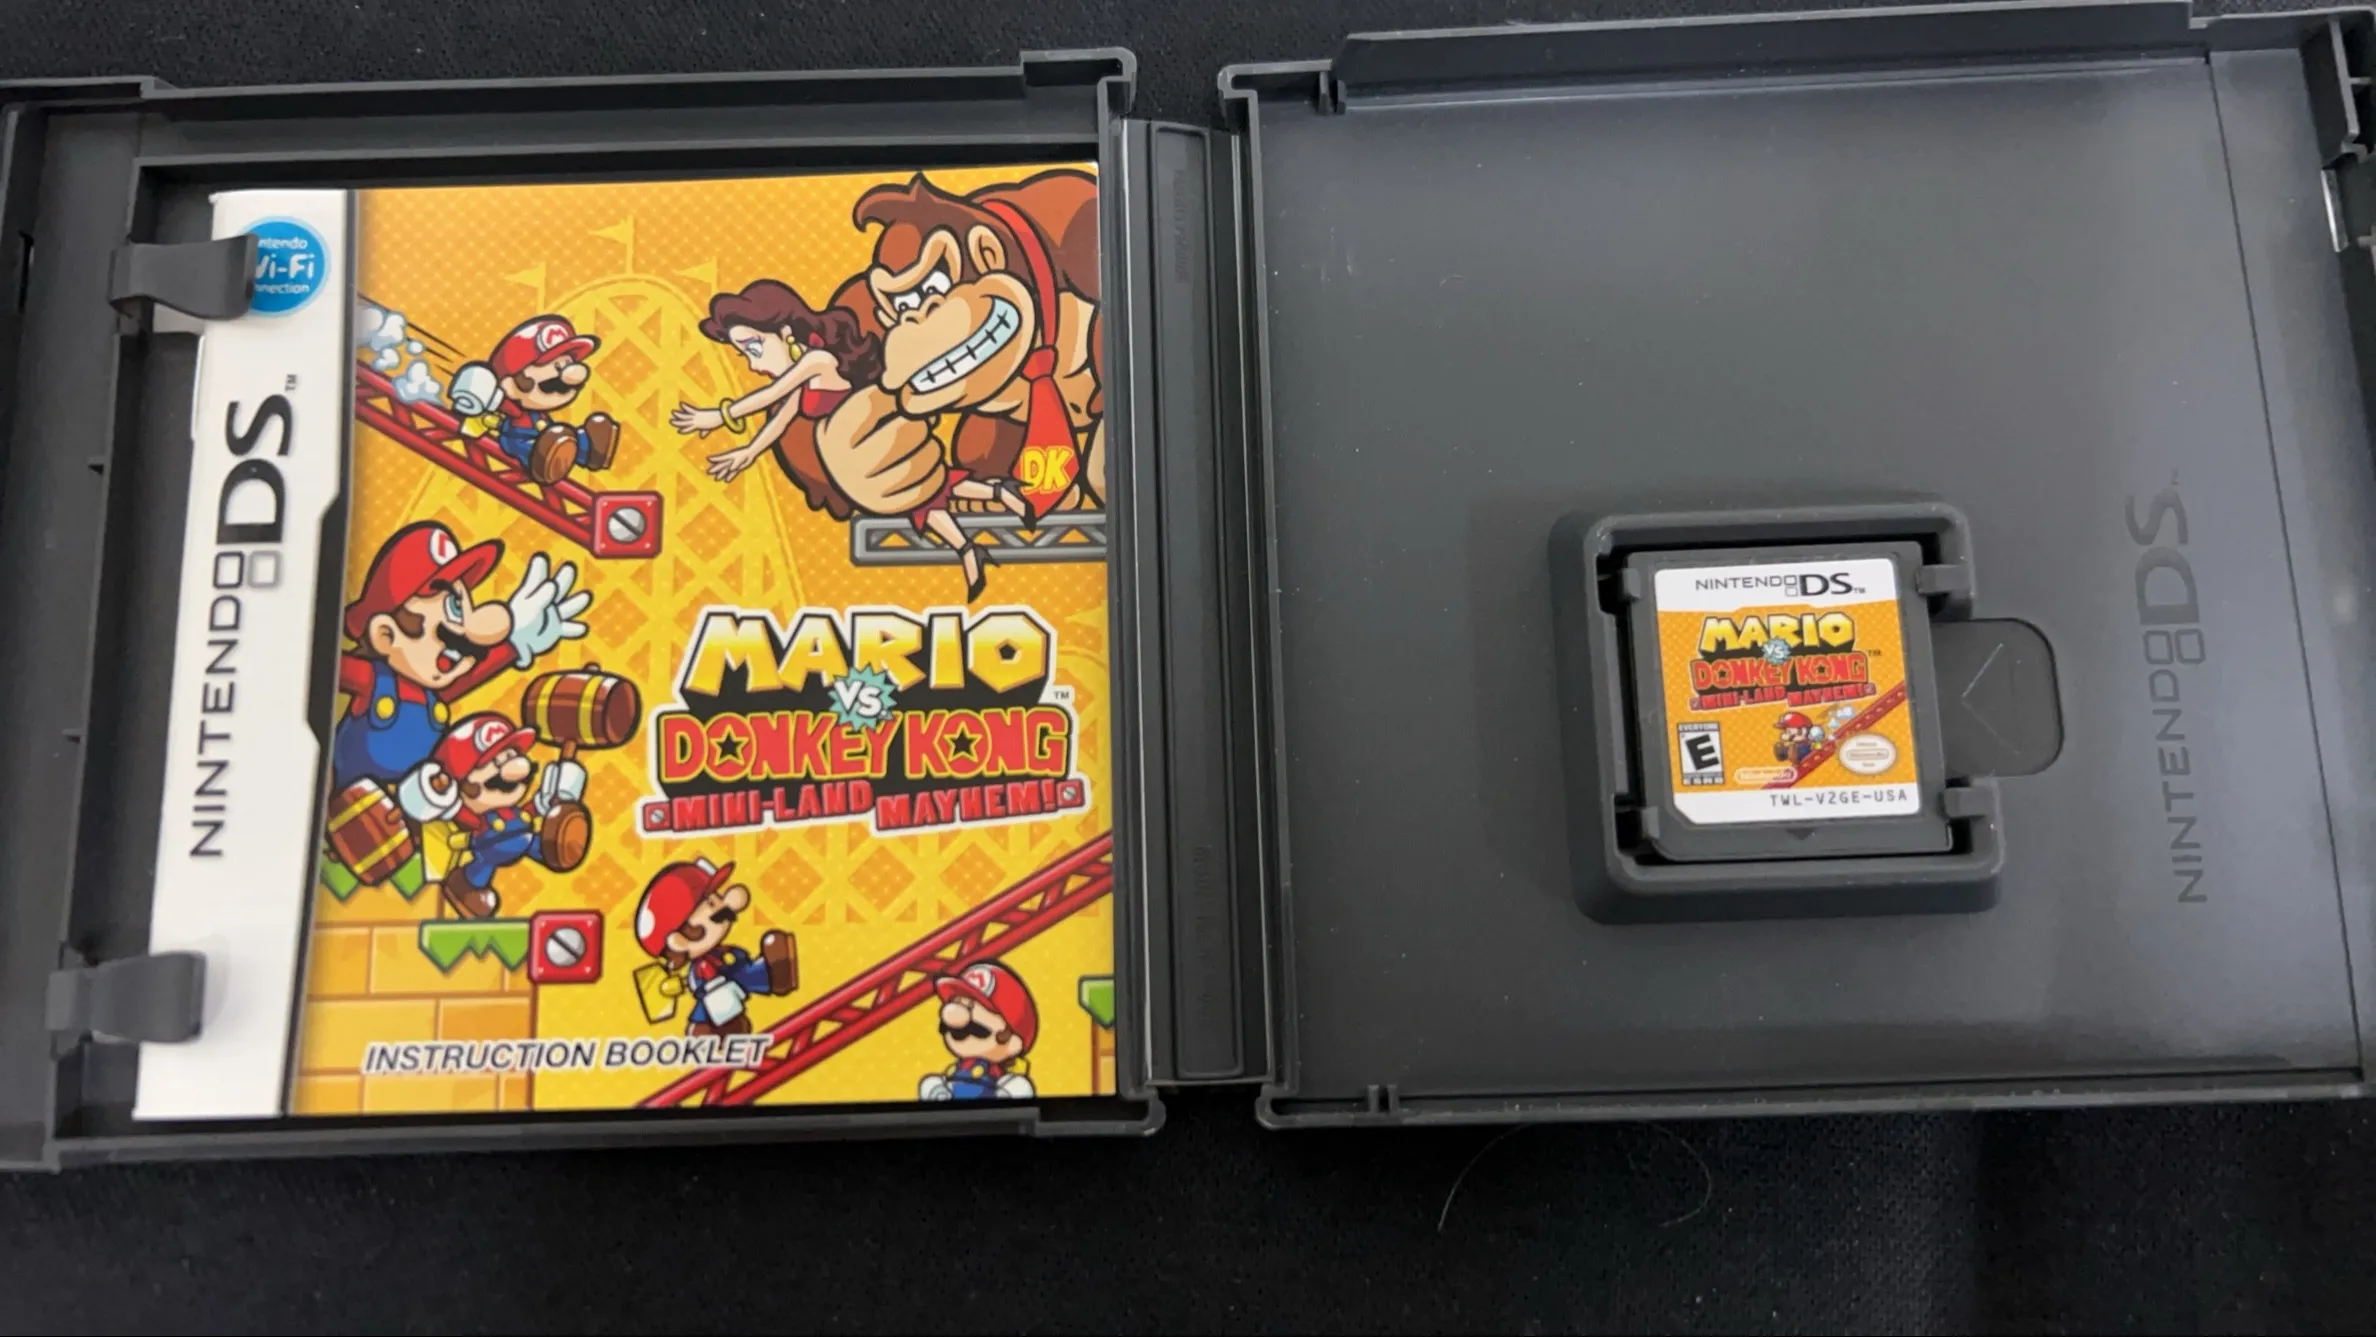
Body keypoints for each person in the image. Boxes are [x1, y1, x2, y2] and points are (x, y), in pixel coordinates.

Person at [672, 279, 1029, 599]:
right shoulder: (804, 377)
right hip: (863, 460)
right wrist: (750, 451)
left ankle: (990, 512)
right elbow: (780, 418)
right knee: (921, 495)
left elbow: (770, 395)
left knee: (925, 487)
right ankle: (974, 539)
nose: (753, 364)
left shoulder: (817, 361)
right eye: (744, 353)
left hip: (872, 438)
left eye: (755, 347)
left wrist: (719, 415)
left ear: (784, 331)